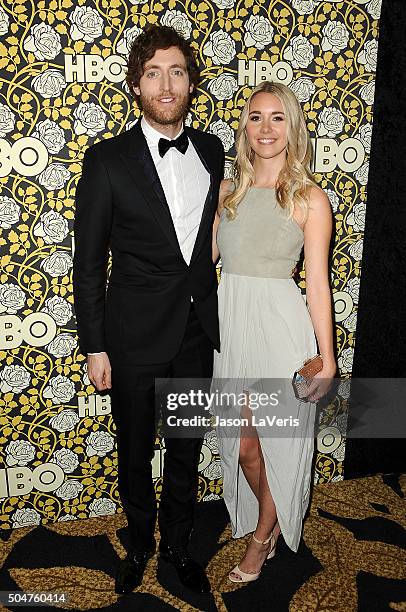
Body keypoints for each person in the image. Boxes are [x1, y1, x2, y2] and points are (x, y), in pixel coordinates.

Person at [73, 25, 224, 595]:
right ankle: (139, 544)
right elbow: (88, 262)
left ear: (191, 82)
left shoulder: (210, 149)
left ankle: (179, 548)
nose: (167, 84)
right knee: (135, 453)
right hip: (131, 337)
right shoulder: (107, 160)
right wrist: (95, 345)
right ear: (138, 84)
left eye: (177, 71)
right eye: (154, 73)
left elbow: (206, 236)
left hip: (193, 332)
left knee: (185, 450)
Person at [211, 80, 336, 583]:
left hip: (280, 327)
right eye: (256, 117)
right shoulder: (226, 192)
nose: (266, 128)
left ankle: (262, 540)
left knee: (278, 442)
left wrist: (327, 358)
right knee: (244, 447)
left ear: (292, 127)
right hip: (231, 322)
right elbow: (203, 264)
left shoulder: (309, 199)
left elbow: (319, 285)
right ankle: (275, 513)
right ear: (245, 126)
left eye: (277, 117)